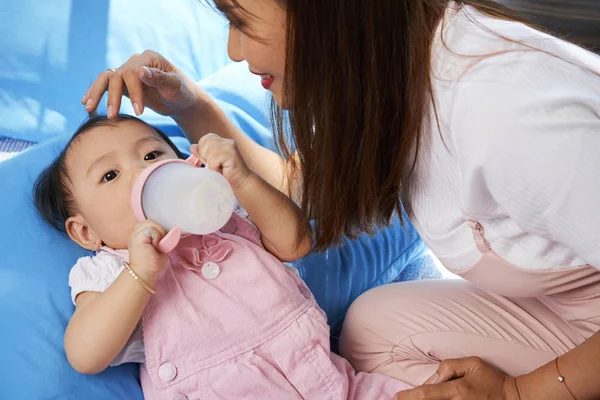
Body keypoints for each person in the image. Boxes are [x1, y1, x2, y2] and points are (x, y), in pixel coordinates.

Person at [83, 0, 600, 398]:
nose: (234, 53)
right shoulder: (387, 73)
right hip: (555, 307)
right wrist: (189, 105)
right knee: (372, 327)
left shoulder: (511, 119)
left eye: (239, 21)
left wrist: (520, 391)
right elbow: (296, 190)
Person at [33, 113, 409, 399]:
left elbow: (296, 244)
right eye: (110, 176)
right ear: (86, 232)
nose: (142, 172)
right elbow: (85, 354)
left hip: (331, 383)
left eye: (151, 154)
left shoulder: (224, 219)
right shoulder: (110, 271)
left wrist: (243, 180)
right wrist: (139, 274)